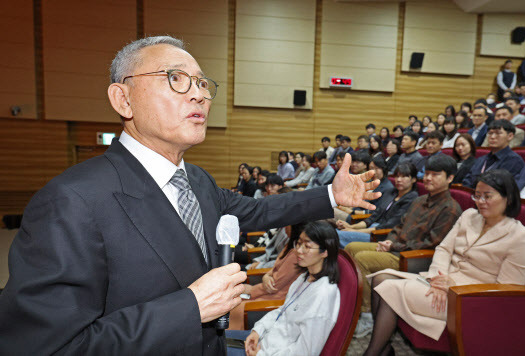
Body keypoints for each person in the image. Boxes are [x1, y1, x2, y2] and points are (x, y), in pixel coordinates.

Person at [0, 36, 383, 355]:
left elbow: (257, 211)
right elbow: (48, 347)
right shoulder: (71, 200)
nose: (198, 95)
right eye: (175, 78)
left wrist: (330, 196)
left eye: (202, 83)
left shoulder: (196, 180)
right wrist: (189, 307)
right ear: (123, 99)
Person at [364, 170, 525, 355]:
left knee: (389, 289)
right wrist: (438, 277)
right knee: (380, 278)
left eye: (487, 196)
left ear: (508, 198)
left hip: (470, 300)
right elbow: (444, 249)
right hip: (441, 281)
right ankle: (385, 348)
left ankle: (373, 352)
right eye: (477, 195)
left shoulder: (521, 238)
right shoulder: (469, 215)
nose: (480, 202)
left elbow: (505, 293)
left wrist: (452, 286)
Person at [345, 154, 462, 337]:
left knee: (362, 259)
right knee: (351, 247)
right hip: (397, 249)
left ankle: (367, 316)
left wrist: (394, 247)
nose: (429, 178)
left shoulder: (450, 209)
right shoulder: (419, 200)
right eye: (428, 173)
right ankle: (355, 303)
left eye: (436, 174)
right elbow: (399, 226)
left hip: (413, 259)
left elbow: (431, 243)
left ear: (450, 178)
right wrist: (389, 240)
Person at [226, 222, 341, 356]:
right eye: (298, 244)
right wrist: (257, 331)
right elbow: (282, 311)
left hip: (271, 351)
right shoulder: (305, 278)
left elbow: (306, 351)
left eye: (307, 246)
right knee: (213, 339)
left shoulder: (323, 295)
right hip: (267, 338)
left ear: (325, 252)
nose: (299, 250)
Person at [228, 224, 304, 330]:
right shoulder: (290, 246)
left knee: (233, 303)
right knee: (231, 294)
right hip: (265, 289)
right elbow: (272, 270)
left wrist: (251, 290)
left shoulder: (296, 254)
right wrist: (266, 276)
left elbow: (273, 286)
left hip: (275, 297)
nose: (285, 226)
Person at [336, 163, 419, 247]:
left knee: (336, 235)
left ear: (413, 179)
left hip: (381, 234)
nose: (399, 180)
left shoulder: (412, 198)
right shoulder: (391, 192)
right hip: (371, 227)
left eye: (404, 177)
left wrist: (354, 230)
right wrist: (352, 227)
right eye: (397, 176)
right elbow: (374, 216)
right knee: (335, 232)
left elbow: (391, 225)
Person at [463, 120, 525, 188]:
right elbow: (467, 180)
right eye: (490, 133)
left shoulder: (514, 160)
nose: (492, 137)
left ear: (510, 136)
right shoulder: (481, 159)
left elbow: (501, 188)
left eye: (498, 133)